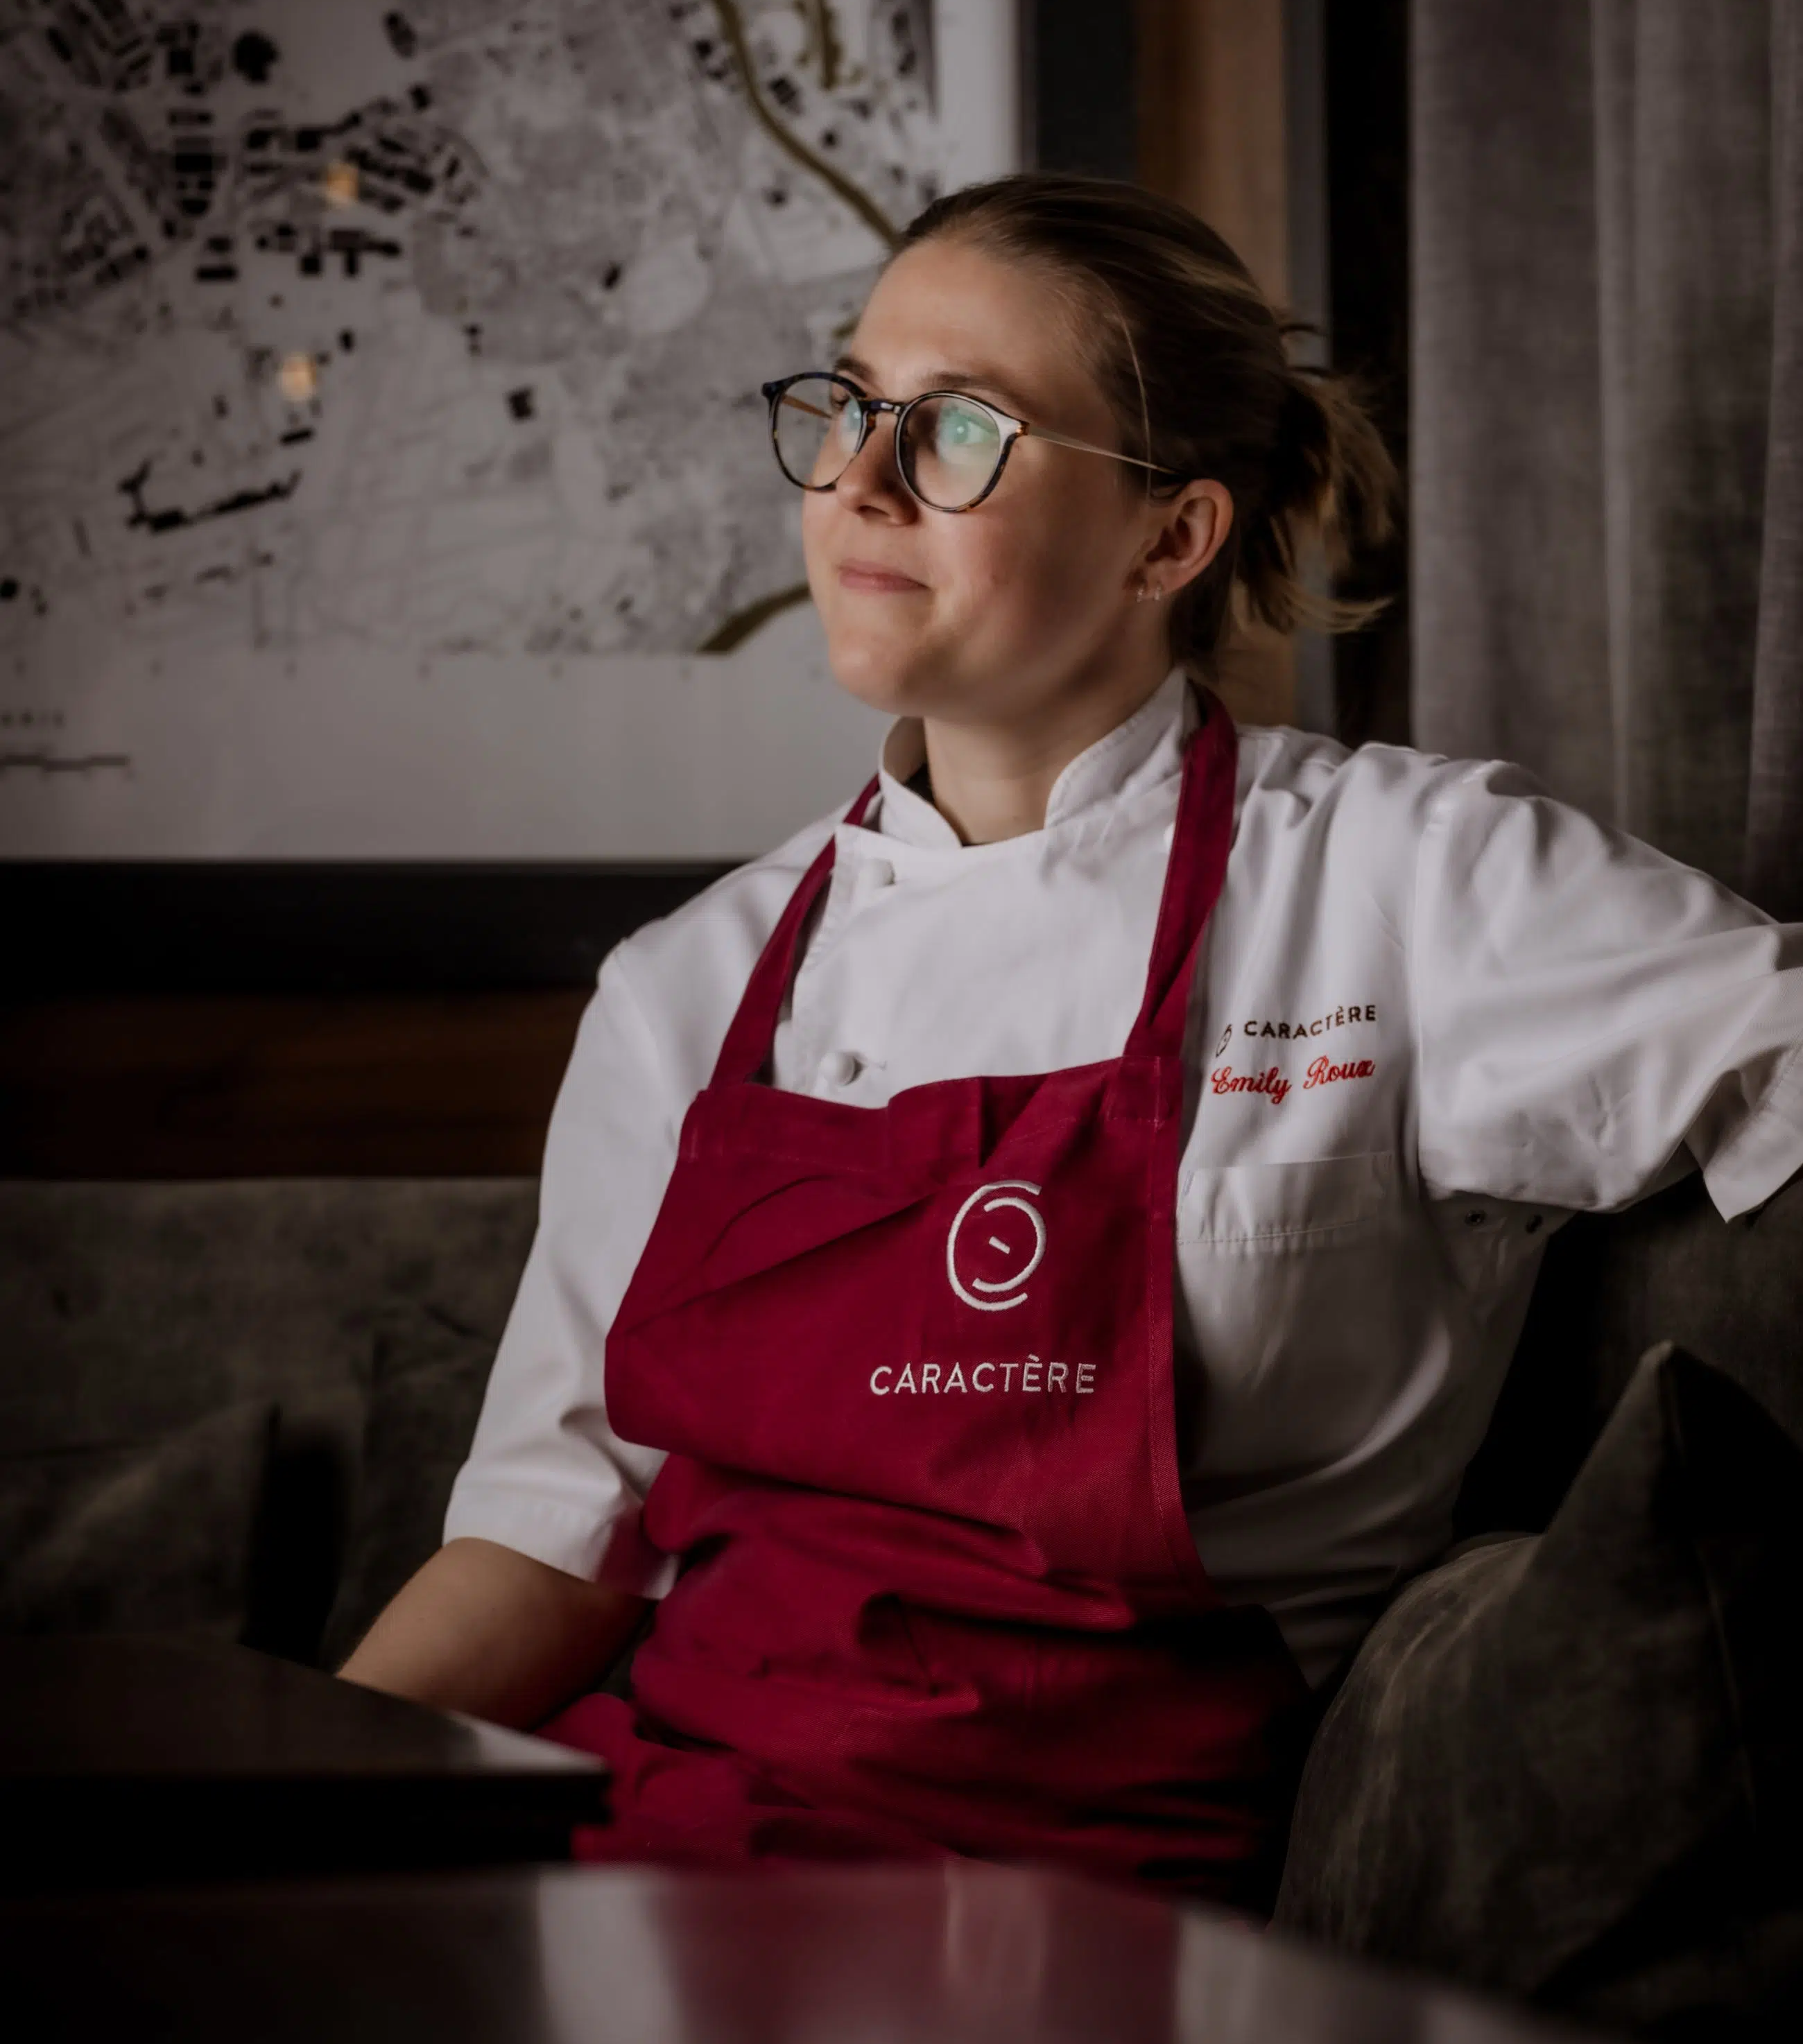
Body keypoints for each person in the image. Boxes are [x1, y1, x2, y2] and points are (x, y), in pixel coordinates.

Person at [342, 173, 1803, 1904]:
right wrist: (237, 1808)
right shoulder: (689, 982)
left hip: (1090, 1916)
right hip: (666, 1847)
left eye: (960, 429)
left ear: (1169, 541)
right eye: (851, 406)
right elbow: (548, 1545)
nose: (861, 481)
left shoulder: (1407, 880)